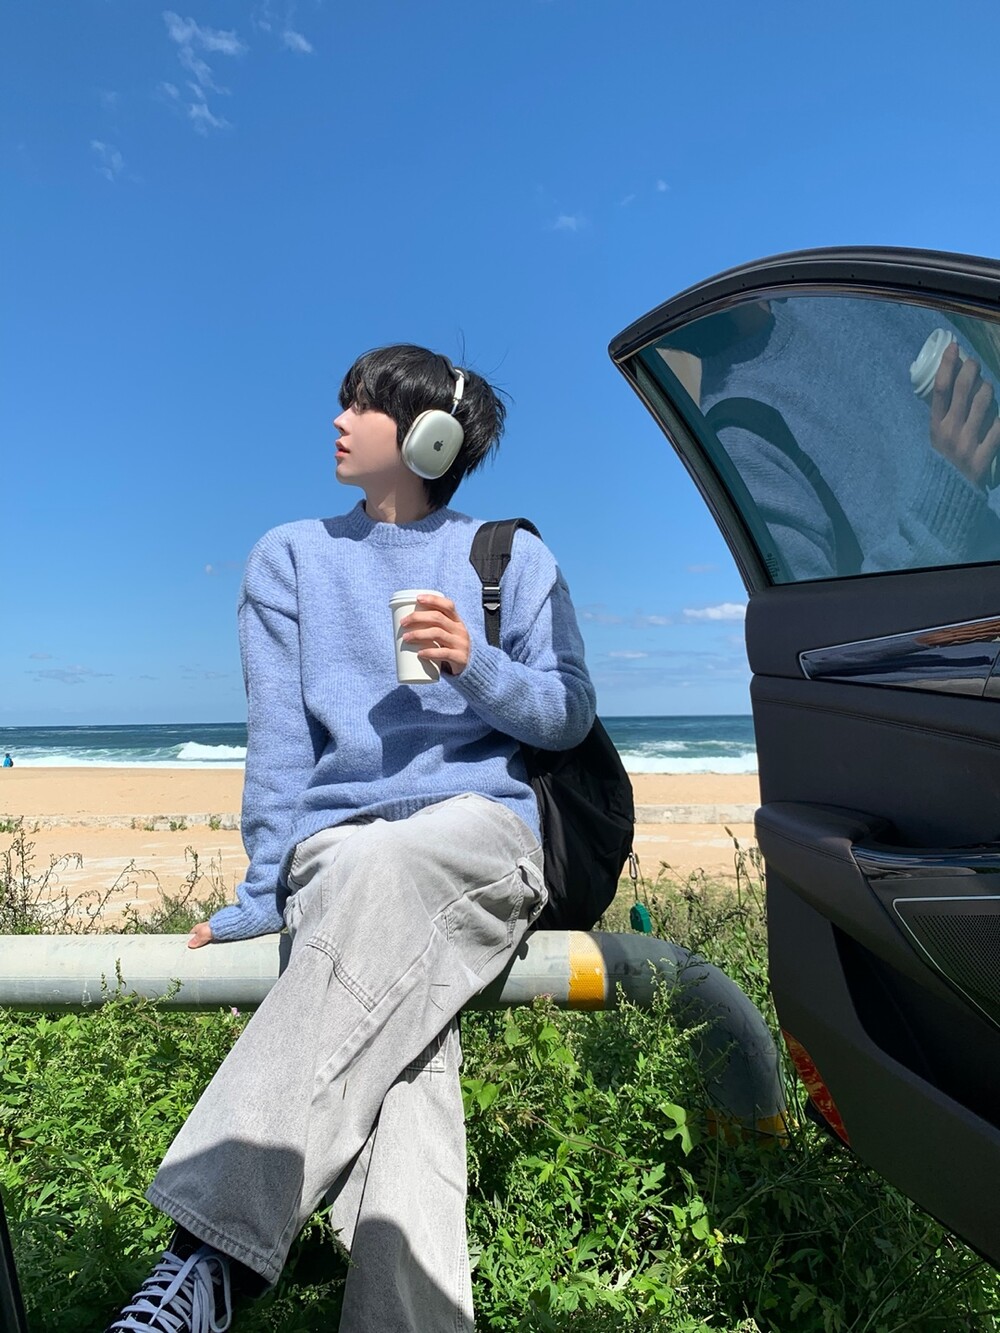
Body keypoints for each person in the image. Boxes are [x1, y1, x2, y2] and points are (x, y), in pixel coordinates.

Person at [105, 344, 596, 1333]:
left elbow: (568, 712)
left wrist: (474, 664)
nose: (337, 420)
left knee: (391, 869)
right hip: (343, 848)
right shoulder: (290, 556)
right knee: (407, 1055)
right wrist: (261, 890)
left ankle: (206, 1256)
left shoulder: (510, 557)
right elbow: (281, 745)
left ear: (429, 436)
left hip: (479, 837)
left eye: (360, 404)